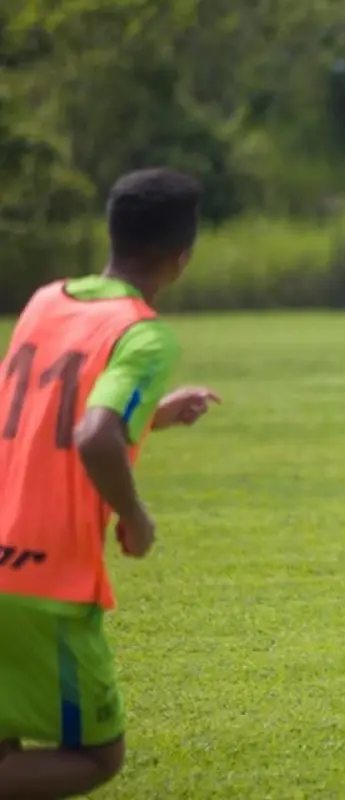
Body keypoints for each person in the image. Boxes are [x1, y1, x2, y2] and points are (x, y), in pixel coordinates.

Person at [0, 168, 220, 799]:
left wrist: (152, 417)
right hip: (45, 579)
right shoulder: (142, 334)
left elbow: (50, 412)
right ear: (182, 259)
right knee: (97, 757)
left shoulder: (48, 299)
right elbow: (95, 434)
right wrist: (136, 515)